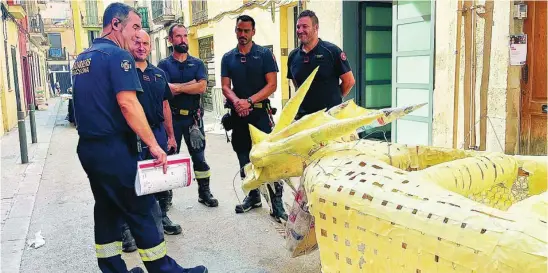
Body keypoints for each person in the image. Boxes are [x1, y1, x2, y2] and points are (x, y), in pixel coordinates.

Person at [72, 3, 207, 273]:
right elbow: (128, 104)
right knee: (141, 207)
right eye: (133, 27)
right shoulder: (118, 57)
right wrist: (154, 145)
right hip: (113, 148)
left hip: (89, 148)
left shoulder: (82, 59)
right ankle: (166, 271)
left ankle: (113, 268)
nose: (135, 35)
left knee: (107, 207)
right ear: (115, 25)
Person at [120, 30, 183, 254]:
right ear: (130, 43)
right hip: (131, 134)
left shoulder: (158, 74)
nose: (141, 46)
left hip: (157, 132)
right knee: (130, 180)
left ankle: (162, 216)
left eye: (145, 43)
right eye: (137, 42)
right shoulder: (123, 72)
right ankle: (127, 229)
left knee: (160, 178)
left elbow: (166, 106)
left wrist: (171, 135)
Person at [221, 15, 287, 223]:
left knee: (269, 158)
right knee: (243, 158)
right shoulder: (228, 57)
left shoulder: (265, 54)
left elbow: (272, 85)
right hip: (238, 115)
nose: (242, 35)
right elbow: (225, 86)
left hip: (259, 114)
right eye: (239, 30)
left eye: (246, 31)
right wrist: (237, 101)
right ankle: (253, 196)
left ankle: (277, 203)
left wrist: (248, 101)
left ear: (253, 32)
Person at [158, 24, 218, 208]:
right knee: (168, 156)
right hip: (172, 119)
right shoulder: (163, 65)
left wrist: (177, 87)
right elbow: (164, 91)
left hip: (193, 119)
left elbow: (201, 87)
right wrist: (189, 84)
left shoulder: (198, 63)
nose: (183, 39)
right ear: (170, 40)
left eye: (185, 36)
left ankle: (204, 193)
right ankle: (165, 197)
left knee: (199, 157)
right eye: (178, 36)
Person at [287, 10, 355, 120]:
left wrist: (334, 100)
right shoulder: (293, 56)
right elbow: (297, 86)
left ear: (316, 28)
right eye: (298, 27)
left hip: (329, 118)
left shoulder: (332, 51)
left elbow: (349, 81)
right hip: (303, 119)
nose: (300, 30)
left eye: (305, 26)